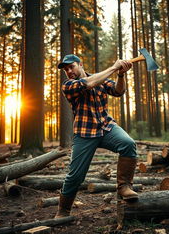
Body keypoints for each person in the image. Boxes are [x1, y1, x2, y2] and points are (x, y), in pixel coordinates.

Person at [55, 54, 138, 218]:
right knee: (75, 176)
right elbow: (89, 83)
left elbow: (118, 91)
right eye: (66, 69)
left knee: (128, 143)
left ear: (80, 64)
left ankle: (124, 186)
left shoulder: (99, 78)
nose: (68, 71)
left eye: (71, 67)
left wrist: (121, 74)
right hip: (84, 132)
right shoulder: (68, 85)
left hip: (106, 127)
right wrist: (114, 67)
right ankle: (63, 210)